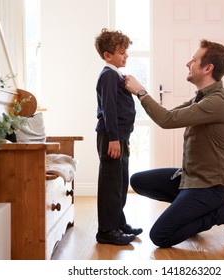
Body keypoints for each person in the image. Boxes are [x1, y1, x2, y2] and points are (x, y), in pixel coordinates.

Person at [124, 39, 224, 248]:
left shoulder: (217, 101)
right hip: (191, 178)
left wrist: (141, 92)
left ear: (207, 68)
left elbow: (166, 120)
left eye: (193, 60)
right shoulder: (201, 98)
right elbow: (170, 115)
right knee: (138, 181)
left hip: (211, 186)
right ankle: (190, 214)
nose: (187, 63)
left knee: (160, 236)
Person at [94, 28, 142, 246]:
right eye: (122, 52)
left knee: (120, 181)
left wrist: (122, 138)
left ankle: (118, 222)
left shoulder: (116, 75)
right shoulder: (108, 76)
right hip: (111, 137)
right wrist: (114, 138)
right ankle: (107, 230)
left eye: (126, 51)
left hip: (120, 137)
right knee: (111, 183)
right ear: (108, 55)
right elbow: (109, 109)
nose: (126, 56)